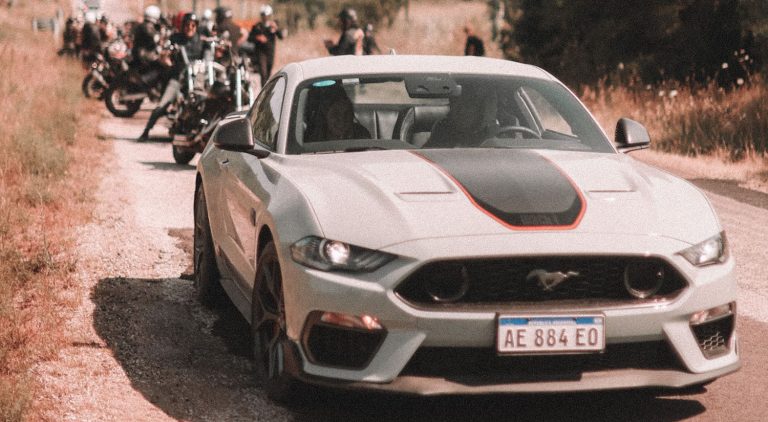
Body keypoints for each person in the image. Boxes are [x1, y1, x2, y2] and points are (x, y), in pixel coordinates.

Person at [138, 13, 205, 142]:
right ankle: (146, 131)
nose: (190, 28)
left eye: (193, 25)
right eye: (187, 25)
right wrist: (168, 57)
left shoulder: (201, 40)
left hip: (196, 79)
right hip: (178, 78)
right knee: (163, 104)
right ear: (183, 26)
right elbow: (164, 53)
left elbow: (209, 55)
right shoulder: (176, 38)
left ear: (196, 26)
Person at [304, 83, 370, 142]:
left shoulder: (361, 134)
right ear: (325, 114)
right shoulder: (313, 138)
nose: (341, 119)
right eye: (336, 114)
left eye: (346, 113)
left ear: (352, 114)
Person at [247, 4, 282, 86]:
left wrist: (276, 29)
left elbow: (281, 36)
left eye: (267, 16)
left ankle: (267, 87)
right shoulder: (257, 26)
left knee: (269, 72)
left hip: (270, 52)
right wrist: (258, 37)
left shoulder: (273, 25)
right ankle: (264, 88)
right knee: (263, 72)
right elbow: (249, 38)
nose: (265, 17)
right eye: (263, 15)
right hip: (260, 52)